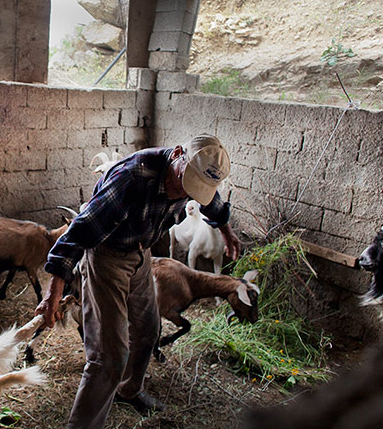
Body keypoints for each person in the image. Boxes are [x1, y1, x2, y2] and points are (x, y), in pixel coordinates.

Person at [35, 134, 241, 429]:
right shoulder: (132, 178)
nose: (185, 192)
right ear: (178, 154)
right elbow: (80, 232)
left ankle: (128, 390)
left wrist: (226, 230)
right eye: (186, 182)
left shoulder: (196, 175)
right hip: (106, 255)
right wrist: (54, 290)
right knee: (110, 357)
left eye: (196, 188)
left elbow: (212, 202)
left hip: (141, 253)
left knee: (148, 329)